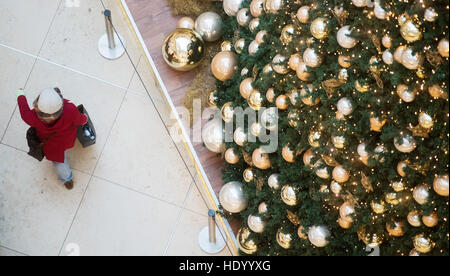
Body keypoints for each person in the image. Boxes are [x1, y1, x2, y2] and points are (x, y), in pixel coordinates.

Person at [16, 88, 88, 190]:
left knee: (59, 162)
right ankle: (67, 178)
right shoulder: (70, 110)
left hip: (52, 147)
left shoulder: (32, 117)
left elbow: (24, 113)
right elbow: (80, 120)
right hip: (67, 139)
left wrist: (21, 95)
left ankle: (67, 179)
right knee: (64, 150)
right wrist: (85, 118)